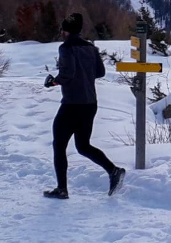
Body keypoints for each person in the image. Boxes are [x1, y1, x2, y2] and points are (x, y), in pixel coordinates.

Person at [42, 13, 124, 199]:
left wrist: (54, 82)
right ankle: (113, 171)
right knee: (83, 145)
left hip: (72, 103)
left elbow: (67, 74)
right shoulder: (90, 48)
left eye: (62, 29)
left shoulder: (66, 48)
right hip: (90, 103)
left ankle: (62, 189)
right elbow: (100, 72)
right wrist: (84, 76)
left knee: (59, 145)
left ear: (65, 31)